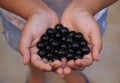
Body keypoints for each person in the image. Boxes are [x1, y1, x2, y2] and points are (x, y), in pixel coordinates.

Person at [0, 0, 118, 83]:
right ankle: (36, 73)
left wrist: (86, 6)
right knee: (30, 50)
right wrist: (32, 10)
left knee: (71, 61)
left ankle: (70, 72)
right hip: (20, 15)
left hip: (89, 13)